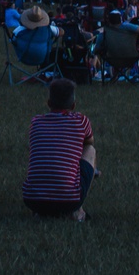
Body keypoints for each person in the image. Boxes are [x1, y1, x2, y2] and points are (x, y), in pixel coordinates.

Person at [22, 77, 97, 221]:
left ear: (49, 103)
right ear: (73, 105)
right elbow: (89, 142)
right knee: (90, 150)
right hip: (69, 200)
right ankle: (78, 211)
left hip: (32, 199)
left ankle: (42, 211)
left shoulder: (35, 122)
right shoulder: (81, 121)